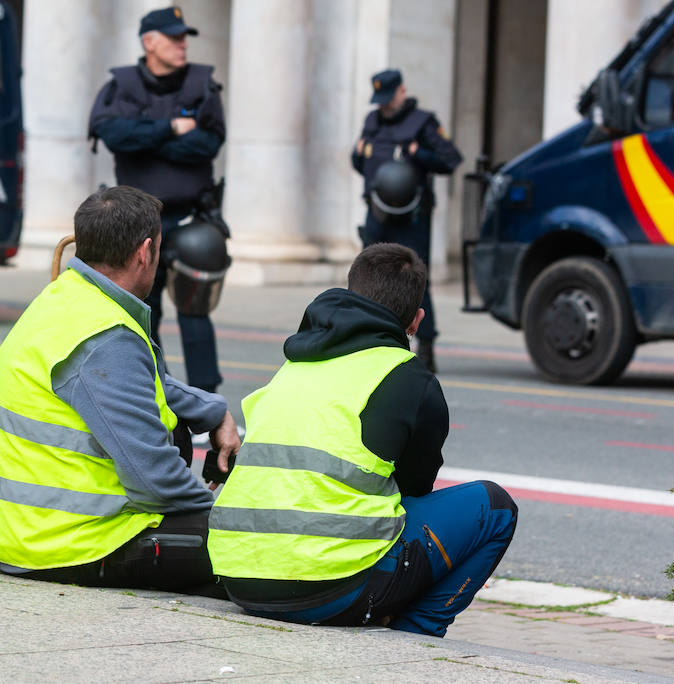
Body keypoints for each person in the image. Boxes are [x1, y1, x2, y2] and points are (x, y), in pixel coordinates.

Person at [207, 243, 518, 636]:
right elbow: (413, 492)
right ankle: (413, 634)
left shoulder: (293, 363)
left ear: (350, 294)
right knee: (495, 508)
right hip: (329, 588)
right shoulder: (408, 377)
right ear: (416, 320)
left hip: (238, 579)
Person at [0, 185, 241, 592]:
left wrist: (212, 410)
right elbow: (155, 481)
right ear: (144, 252)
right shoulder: (107, 336)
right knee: (260, 545)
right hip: (75, 543)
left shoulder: (64, 299)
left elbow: (130, 381)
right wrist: (221, 516)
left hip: (21, 533)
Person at [88, 6, 227, 393]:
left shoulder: (202, 85)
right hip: (135, 220)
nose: (183, 45)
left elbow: (208, 144)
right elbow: (113, 135)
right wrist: (170, 128)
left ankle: (206, 400)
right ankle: (154, 396)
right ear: (149, 42)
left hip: (190, 221)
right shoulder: (121, 86)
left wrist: (147, 142)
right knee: (140, 315)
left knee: (195, 312)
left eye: (185, 38)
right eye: (174, 37)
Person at [351, 69, 462, 370]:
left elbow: (450, 160)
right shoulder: (372, 121)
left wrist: (419, 153)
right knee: (368, 276)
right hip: (377, 211)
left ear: (402, 92)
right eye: (380, 101)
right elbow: (360, 161)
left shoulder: (424, 123)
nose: (384, 107)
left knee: (415, 279)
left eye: (389, 99)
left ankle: (425, 347)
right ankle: (366, 342)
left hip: (412, 216)